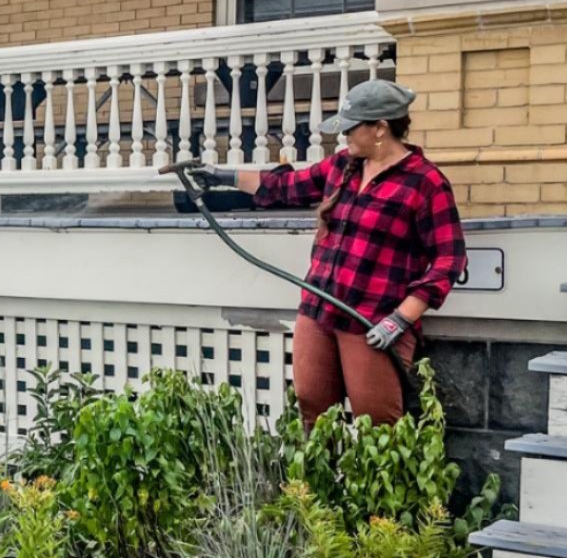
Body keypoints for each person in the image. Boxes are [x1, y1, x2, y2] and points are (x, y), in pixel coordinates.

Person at [186, 79, 465, 427]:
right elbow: (283, 186)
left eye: (351, 128)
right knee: (314, 412)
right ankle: (320, 483)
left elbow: (449, 259)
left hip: (372, 319)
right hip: (318, 312)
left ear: (380, 128)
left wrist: (401, 318)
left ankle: (381, 483)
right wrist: (219, 176)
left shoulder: (424, 183)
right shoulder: (342, 167)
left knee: (378, 422)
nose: (343, 135)